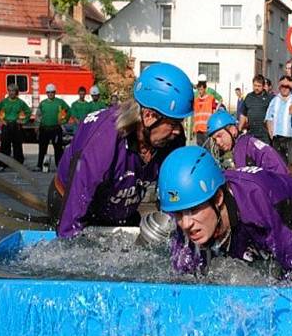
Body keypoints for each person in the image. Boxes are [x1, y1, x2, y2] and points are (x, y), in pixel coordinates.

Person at [158, 146, 292, 279]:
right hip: (251, 219)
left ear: (218, 199)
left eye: (193, 211)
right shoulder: (193, 207)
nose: (185, 223)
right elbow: (183, 282)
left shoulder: (261, 202)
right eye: (178, 214)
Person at [50, 62, 193, 238]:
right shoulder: (104, 141)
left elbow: (174, 193)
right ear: (148, 116)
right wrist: (68, 245)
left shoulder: (173, 139)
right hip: (72, 201)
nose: (178, 131)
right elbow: (75, 208)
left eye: (180, 124)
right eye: (172, 124)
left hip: (120, 207)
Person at [206, 110, 289, 174]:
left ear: (232, 130)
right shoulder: (247, 141)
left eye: (219, 136)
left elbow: (243, 182)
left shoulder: (242, 148)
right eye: (215, 139)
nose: (218, 142)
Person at [0, 84, 31, 165]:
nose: (11, 93)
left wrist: (24, 120)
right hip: (6, 125)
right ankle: (4, 164)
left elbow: (28, 111)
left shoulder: (20, 102)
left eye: (13, 91)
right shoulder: (4, 102)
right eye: (10, 91)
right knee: (5, 146)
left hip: (16, 125)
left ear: (16, 92)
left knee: (17, 145)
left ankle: (18, 164)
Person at [264, 75, 292, 164]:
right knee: (279, 164)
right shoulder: (274, 100)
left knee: (291, 164)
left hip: (290, 137)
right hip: (277, 138)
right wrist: (271, 133)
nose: (284, 88)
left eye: (287, 86)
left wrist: (289, 83)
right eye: (282, 86)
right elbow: (269, 118)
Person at [35, 83, 69, 171]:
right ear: (46, 93)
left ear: (55, 92)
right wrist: (37, 126)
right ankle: (39, 165)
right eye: (49, 92)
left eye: (52, 92)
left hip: (56, 129)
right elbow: (38, 116)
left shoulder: (60, 102)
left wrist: (64, 120)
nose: (50, 94)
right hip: (44, 129)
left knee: (58, 149)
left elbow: (68, 110)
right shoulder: (43, 103)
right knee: (42, 148)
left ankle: (60, 166)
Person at [239, 75, 272, 144]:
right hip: (251, 133)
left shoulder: (269, 98)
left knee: (264, 153)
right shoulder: (248, 97)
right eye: (255, 85)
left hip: (264, 135)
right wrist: (240, 128)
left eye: (259, 86)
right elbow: (243, 114)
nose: (256, 88)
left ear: (263, 86)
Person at [193, 81, 218, 146]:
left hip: (206, 129)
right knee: (200, 149)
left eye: (201, 89)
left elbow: (215, 111)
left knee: (207, 148)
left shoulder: (210, 99)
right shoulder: (196, 100)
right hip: (198, 129)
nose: (200, 91)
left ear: (205, 89)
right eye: (198, 90)